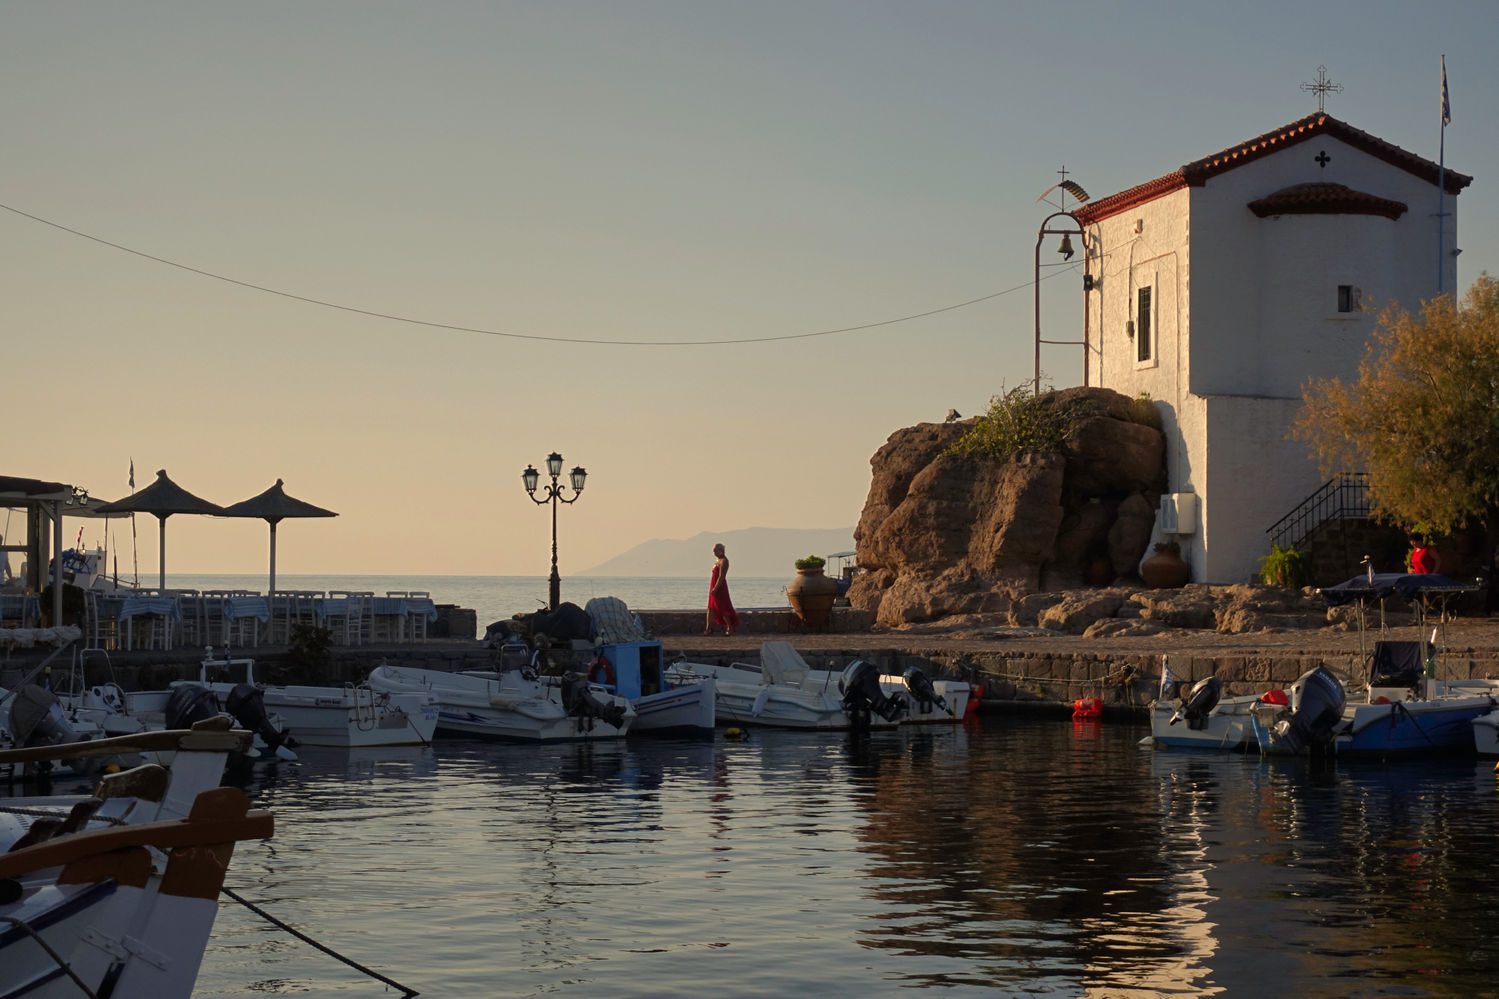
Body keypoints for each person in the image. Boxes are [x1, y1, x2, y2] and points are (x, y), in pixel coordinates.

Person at [705, 542, 739, 637]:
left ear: (721, 550)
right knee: (710, 608)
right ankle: (708, 629)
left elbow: (721, 577)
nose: (714, 552)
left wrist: (715, 588)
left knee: (722, 608)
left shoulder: (724, 561)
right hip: (713, 586)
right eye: (713, 551)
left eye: (715, 550)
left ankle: (730, 627)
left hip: (720, 587)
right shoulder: (718, 560)